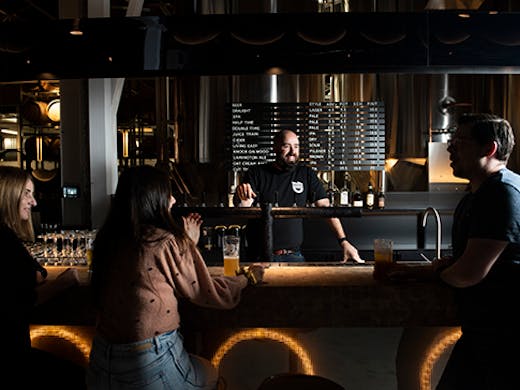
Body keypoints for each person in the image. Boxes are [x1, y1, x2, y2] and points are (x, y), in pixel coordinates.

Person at [86, 165, 264, 390]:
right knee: (211, 372)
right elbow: (208, 293)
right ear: (153, 198)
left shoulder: (107, 239)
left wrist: (185, 245)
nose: (172, 200)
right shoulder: (164, 242)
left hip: (101, 365)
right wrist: (247, 277)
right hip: (150, 364)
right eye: (167, 193)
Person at [431, 113, 520, 389]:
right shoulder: (481, 193)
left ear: (489, 148)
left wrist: (439, 272)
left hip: (503, 338)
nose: (449, 147)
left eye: (460, 141)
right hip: (488, 334)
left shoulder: (501, 193)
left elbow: (469, 273)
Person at [0, 166, 85, 389]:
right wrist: (66, 282)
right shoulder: (4, 241)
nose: (34, 201)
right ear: (8, 193)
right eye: (27, 193)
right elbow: (22, 302)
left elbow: (32, 273)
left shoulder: (7, 237)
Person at [235, 129, 363, 263]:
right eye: (286, 146)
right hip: (259, 257)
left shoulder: (306, 174)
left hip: (294, 256)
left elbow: (326, 208)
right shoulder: (256, 173)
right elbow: (243, 207)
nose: (292, 151)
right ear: (275, 148)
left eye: (296, 146)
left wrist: (343, 241)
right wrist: (242, 198)